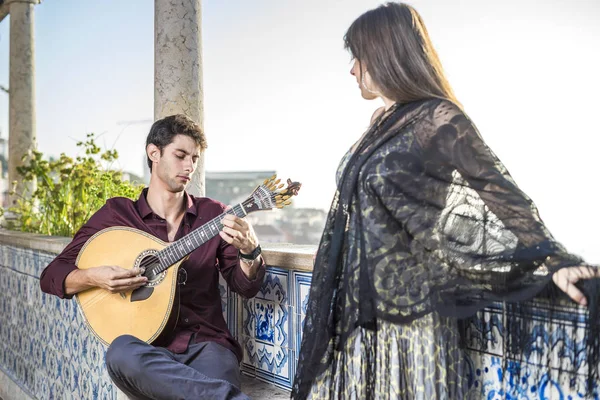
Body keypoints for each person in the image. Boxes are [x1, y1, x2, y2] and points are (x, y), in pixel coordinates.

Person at [292, 3, 599, 399]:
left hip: (413, 319)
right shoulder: (380, 123)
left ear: (386, 54)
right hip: (358, 316)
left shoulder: (438, 116)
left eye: (359, 56)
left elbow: (497, 191)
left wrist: (555, 260)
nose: (352, 69)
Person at [40, 114, 265, 400]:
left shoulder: (213, 215)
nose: (189, 166)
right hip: (147, 351)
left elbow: (245, 286)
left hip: (207, 345)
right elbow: (51, 276)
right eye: (181, 155)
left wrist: (250, 251)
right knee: (120, 352)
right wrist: (94, 276)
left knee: (213, 376)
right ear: (154, 153)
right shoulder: (118, 215)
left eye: (194, 158)